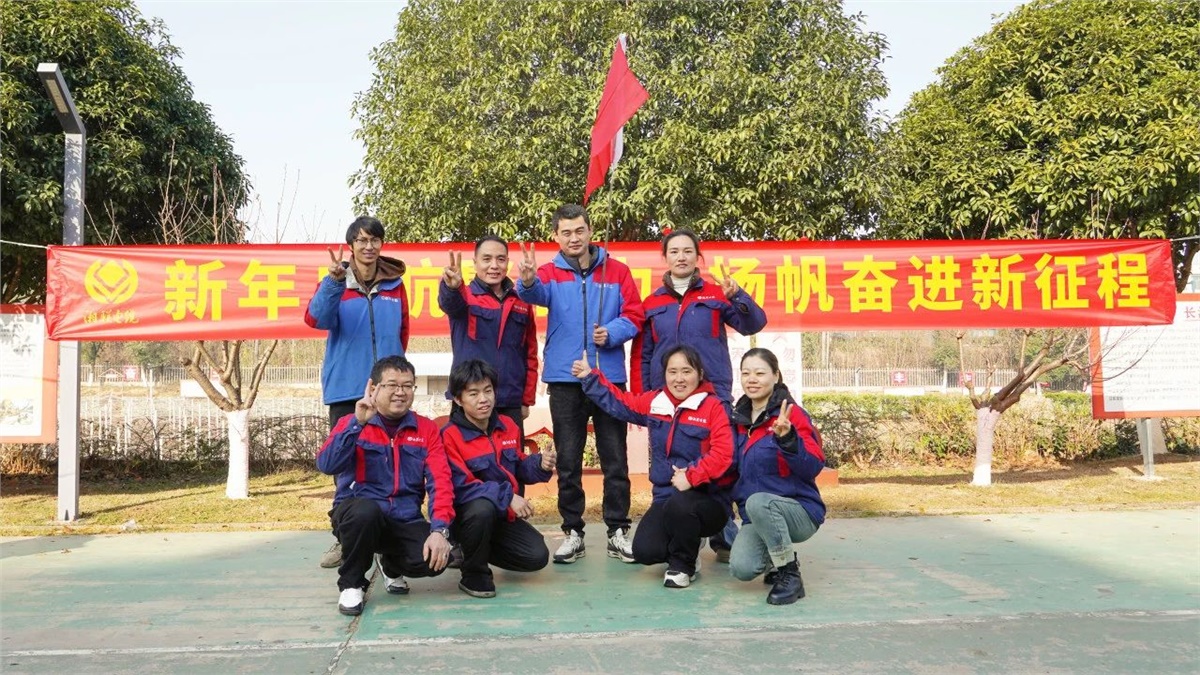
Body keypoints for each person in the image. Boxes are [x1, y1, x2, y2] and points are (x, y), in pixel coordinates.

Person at [516, 204, 645, 565]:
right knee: (569, 461)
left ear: (590, 231)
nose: (573, 238)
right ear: (556, 236)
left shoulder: (617, 271)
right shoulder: (548, 272)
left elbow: (634, 314)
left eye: (579, 231)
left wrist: (613, 332)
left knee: (615, 459)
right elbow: (532, 295)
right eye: (566, 232)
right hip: (565, 378)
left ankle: (618, 530)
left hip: (607, 377)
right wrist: (527, 280)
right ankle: (573, 532)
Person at [633, 228, 768, 562]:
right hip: (666, 398)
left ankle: (723, 532)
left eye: (688, 251)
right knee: (667, 459)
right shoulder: (652, 303)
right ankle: (672, 524)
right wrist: (644, 395)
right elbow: (643, 354)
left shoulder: (716, 294)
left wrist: (738, 295)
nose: (681, 257)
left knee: (721, 462)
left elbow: (754, 324)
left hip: (713, 393)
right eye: (674, 251)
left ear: (698, 256)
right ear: (665, 257)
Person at [571, 345, 734, 588]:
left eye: (686, 371)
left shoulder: (714, 407)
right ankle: (689, 543)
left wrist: (692, 476)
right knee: (645, 551)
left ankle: (683, 565)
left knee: (682, 505)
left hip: (708, 501)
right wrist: (590, 378)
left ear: (700, 374)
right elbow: (621, 403)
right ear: (664, 374)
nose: (679, 379)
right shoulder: (656, 402)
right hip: (665, 498)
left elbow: (724, 454)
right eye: (672, 372)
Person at [305, 216, 410, 569]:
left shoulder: (395, 285)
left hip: (388, 390)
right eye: (362, 240)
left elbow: (403, 330)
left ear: (381, 244)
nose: (369, 246)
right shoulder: (336, 282)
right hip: (347, 389)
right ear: (351, 246)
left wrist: (395, 379)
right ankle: (344, 538)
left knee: (391, 464)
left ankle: (387, 540)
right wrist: (334, 282)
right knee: (346, 468)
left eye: (375, 240)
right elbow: (316, 319)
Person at [315, 356, 454, 616]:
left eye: (407, 385)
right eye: (392, 385)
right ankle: (352, 584)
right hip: (357, 516)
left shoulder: (426, 429)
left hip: (404, 518)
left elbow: (441, 481)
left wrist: (439, 530)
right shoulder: (352, 422)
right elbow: (327, 464)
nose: (400, 392)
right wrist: (357, 424)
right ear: (374, 388)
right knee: (365, 512)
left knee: (436, 560)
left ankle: (390, 564)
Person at [440, 360, 557, 598]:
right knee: (481, 508)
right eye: (473, 393)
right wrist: (507, 497)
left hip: (500, 516)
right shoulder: (450, 436)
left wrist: (540, 464)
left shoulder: (507, 426)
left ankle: (473, 549)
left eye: (488, 391)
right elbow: (460, 486)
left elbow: (518, 464)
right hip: (467, 517)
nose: (483, 399)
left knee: (537, 556)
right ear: (459, 400)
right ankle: (474, 573)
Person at [727, 348, 826, 606]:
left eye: (760, 373)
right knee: (741, 568)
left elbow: (813, 466)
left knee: (759, 501)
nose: (752, 379)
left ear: (776, 376)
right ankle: (776, 555)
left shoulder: (793, 415)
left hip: (798, 511)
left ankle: (789, 574)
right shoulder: (737, 420)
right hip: (755, 515)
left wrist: (788, 439)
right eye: (746, 373)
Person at [439, 236, 538, 441]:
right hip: (469, 398)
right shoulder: (465, 296)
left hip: (510, 399)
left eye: (500, 259)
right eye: (487, 259)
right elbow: (449, 303)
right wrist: (451, 287)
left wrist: (526, 399)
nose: (494, 266)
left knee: (511, 458)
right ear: (475, 262)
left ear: (507, 262)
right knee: (468, 457)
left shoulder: (521, 301)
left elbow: (530, 354)